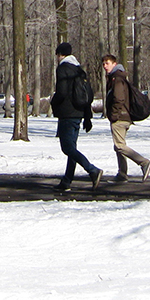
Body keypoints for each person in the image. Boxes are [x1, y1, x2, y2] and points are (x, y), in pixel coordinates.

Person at [50, 42, 103, 192]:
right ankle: (66, 181)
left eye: (57, 55)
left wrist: (53, 102)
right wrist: (87, 116)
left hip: (67, 113)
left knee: (67, 148)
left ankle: (93, 170)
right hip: (79, 113)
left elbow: (62, 92)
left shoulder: (62, 69)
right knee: (72, 148)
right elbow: (86, 94)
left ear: (60, 54)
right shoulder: (79, 69)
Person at [102, 54, 150, 182]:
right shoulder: (117, 77)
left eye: (107, 63)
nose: (105, 66)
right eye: (103, 64)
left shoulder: (117, 79)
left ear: (114, 64)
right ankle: (122, 174)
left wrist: (114, 115)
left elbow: (119, 99)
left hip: (120, 117)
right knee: (119, 146)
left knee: (119, 146)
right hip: (122, 116)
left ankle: (144, 163)